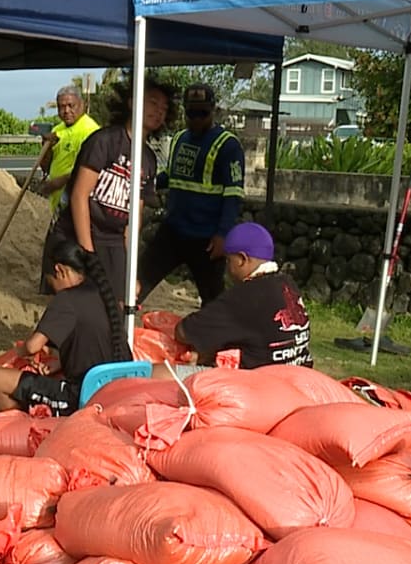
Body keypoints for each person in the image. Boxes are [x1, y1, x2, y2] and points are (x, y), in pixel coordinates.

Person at [41, 78, 173, 297]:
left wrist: (130, 267)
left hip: (113, 239)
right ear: (132, 102)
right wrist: (87, 253)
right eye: (152, 103)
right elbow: (79, 197)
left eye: (164, 108)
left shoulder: (148, 159)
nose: (158, 112)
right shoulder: (105, 141)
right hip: (79, 232)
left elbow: (134, 217)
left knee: (117, 302)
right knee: (77, 302)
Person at [0, 242, 132, 417]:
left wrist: (19, 350)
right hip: (118, 388)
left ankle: (24, 427)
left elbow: (33, 346)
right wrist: (61, 362)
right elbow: (94, 342)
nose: (54, 291)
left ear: (60, 270)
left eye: (51, 283)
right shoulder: (104, 294)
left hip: (81, 396)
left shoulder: (67, 300)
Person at [139, 83, 245, 305]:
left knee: (213, 299)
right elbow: (171, 175)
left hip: (206, 238)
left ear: (213, 110)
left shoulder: (228, 145)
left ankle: (215, 338)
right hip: (174, 230)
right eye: (192, 113)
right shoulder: (179, 139)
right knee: (139, 282)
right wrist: (145, 183)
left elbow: (233, 195)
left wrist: (223, 235)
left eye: (203, 113)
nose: (197, 119)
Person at [174, 222, 312, 369]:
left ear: (242, 259)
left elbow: (184, 332)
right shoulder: (288, 284)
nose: (227, 268)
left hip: (261, 384)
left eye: (229, 260)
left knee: (165, 373)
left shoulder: (244, 296)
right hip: (298, 376)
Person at [37, 86, 101, 215]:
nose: (66, 111)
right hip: (56, 204)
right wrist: (47, 148)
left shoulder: (91, 132)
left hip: (77, 204)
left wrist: (58, 183)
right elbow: (46, 168)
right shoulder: (57, 130)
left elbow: (92, 171)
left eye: (71, 105)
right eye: (61, 107)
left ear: (82, 104)